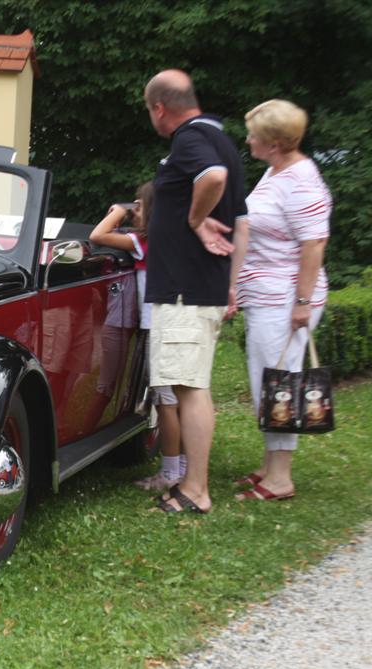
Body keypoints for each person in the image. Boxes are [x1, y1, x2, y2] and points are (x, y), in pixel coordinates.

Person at [142, 69, 249, 514]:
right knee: (192, 384)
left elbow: (213, 178)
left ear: (159, 108)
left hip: (184, 290)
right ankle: (192, 481)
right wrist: (230, 285)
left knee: (189, 387)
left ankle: (196, 490)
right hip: (203, 287)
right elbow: (242, 224)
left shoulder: (190, 140)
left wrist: (191, 219)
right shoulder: (223, 138)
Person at [232, 99, 330, 502]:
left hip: (285, 299)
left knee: (280, 384)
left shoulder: (302, 180)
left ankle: (280, 479)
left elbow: (314, 245)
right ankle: (269, 465)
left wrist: (302, 302)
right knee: (269, 381)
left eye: (254, 134)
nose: (249, 139)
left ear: (273, 142)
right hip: (269, 296)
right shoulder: (277, 171)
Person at [90, 182, 183, 491]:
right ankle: (182, 463)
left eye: (139, 206)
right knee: (179, 397)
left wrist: (118, 212)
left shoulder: (145, 240)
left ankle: (172, 471)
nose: (133, 210)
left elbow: (97, 235)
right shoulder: (174, 238)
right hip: (177, 322)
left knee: (165, 398)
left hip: (160, 325)